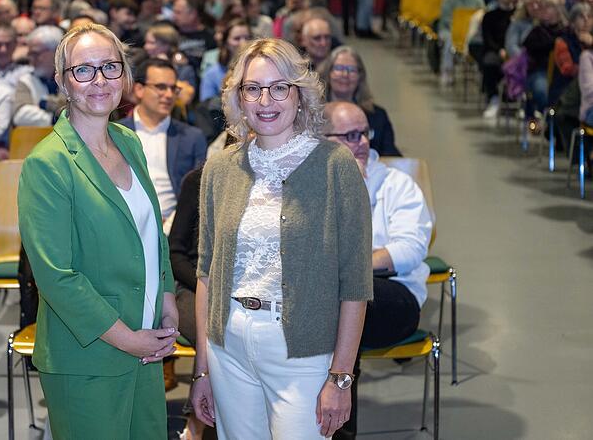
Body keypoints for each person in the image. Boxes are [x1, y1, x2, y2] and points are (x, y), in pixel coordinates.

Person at [190, 38, 372, 440]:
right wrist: (202, 369)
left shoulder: (336, 166)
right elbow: (206, 274)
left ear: (300, 94)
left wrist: (341, 378)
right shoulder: (219, 169)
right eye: (252, 88)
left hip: (303, 352)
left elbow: (356, 282)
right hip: (228, 345)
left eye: (279, 87)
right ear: (238, 97)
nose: (265, 100)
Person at [17, 23, 179, 439]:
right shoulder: (47, 163)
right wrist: (128, 339)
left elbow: (153, 237)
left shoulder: (129, 142)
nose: (100, 81)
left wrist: (167, 299)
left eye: (110, 67)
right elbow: (57, 277)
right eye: (84, 70)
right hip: (88, 354)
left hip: (146, 345)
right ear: (62, 82)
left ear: (125, 75)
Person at [323, 102, 433, 440]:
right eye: (351, 136)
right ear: (323, 139)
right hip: (335, 295)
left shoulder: (397, 185)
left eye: (366, 134)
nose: (363, 143)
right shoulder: (312, 183)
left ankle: (336, 428)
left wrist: (350, 264)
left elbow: (411, 249)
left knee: (348, 301)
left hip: (395, 296)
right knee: (334, 311)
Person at [119, 58, 207, 228]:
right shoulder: (116, 134)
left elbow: (197, 194)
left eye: (173, 88)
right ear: (139, 89)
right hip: (125, 224)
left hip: (174, 228)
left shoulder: (192, 137)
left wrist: (171, 224)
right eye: (160, 87)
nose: (168, 95)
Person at [318, 46, 402, 156]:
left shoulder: (378, 116)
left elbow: (390, 156)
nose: (345, 75)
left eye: (352, 70)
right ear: (328, 73)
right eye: (339, 68)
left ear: (360, 76)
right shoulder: (313, 115)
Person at [13, 25, 66, 128]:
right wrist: (54, 118)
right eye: (30, 54)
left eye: (36, 54)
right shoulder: (26, 80)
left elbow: (75, 110)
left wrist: (44, 105)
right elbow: (20, 116)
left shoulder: (71, 79)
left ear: (55, 52)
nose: (31, 59)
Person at [438, 0, 485, 86]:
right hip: (449, 30)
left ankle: (480, 72)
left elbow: (483, 14)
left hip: (471, 32)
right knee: (450, 40)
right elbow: (446, 19)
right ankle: (446, 71)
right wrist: (460, 29)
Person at [200, 19, 252, 102]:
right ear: (226, 42)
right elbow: (206, 107)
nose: (243, 42)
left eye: (247, 38)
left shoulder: (258, 70)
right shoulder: (212, 73)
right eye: (237, 38)